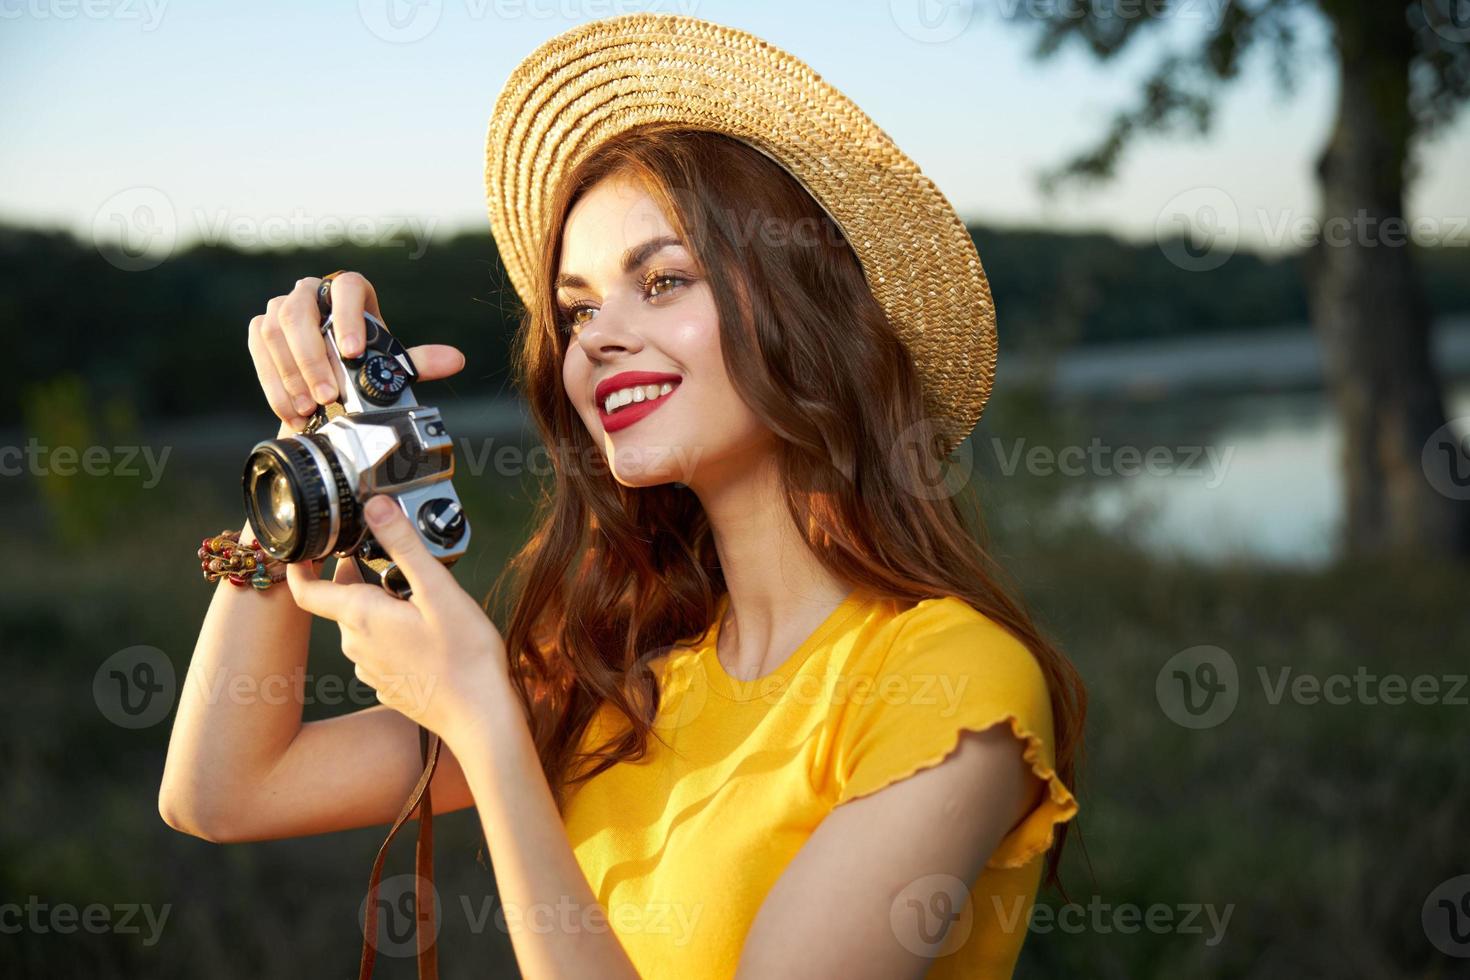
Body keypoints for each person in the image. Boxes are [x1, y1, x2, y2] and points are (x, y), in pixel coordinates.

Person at [159, 13, 1086, 979]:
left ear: (810, 317)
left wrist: (481, 717)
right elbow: (224, 791)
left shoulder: (956, 684)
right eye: (579, 308)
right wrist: (318, 451)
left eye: (665, 279)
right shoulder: (622, 666)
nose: (596, 338)